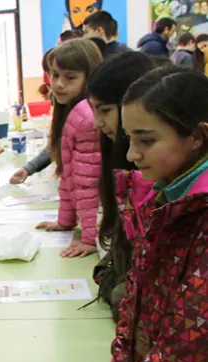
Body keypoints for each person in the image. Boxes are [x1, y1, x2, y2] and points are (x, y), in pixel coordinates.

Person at [104, 67, 208, 362]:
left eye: (146, 140)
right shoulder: (166, 197)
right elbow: (137, 292)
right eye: (129, 138)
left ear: (196, 137)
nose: (131, 154)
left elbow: (192, 345)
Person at [86, 52, 159, 320]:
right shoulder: (120, 157)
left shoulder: (161, 176)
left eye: (105, 110)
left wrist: (115, 287)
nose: (97, 123)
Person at [35, 39, 103, 257]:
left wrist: (92, 240)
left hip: (102, 228)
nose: (59, 84)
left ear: (90, 77)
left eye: (70, 77)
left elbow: (88, 184)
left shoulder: (86, 117)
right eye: (55, 75)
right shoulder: (70, 108)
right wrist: (65, 221)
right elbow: (69, 174)